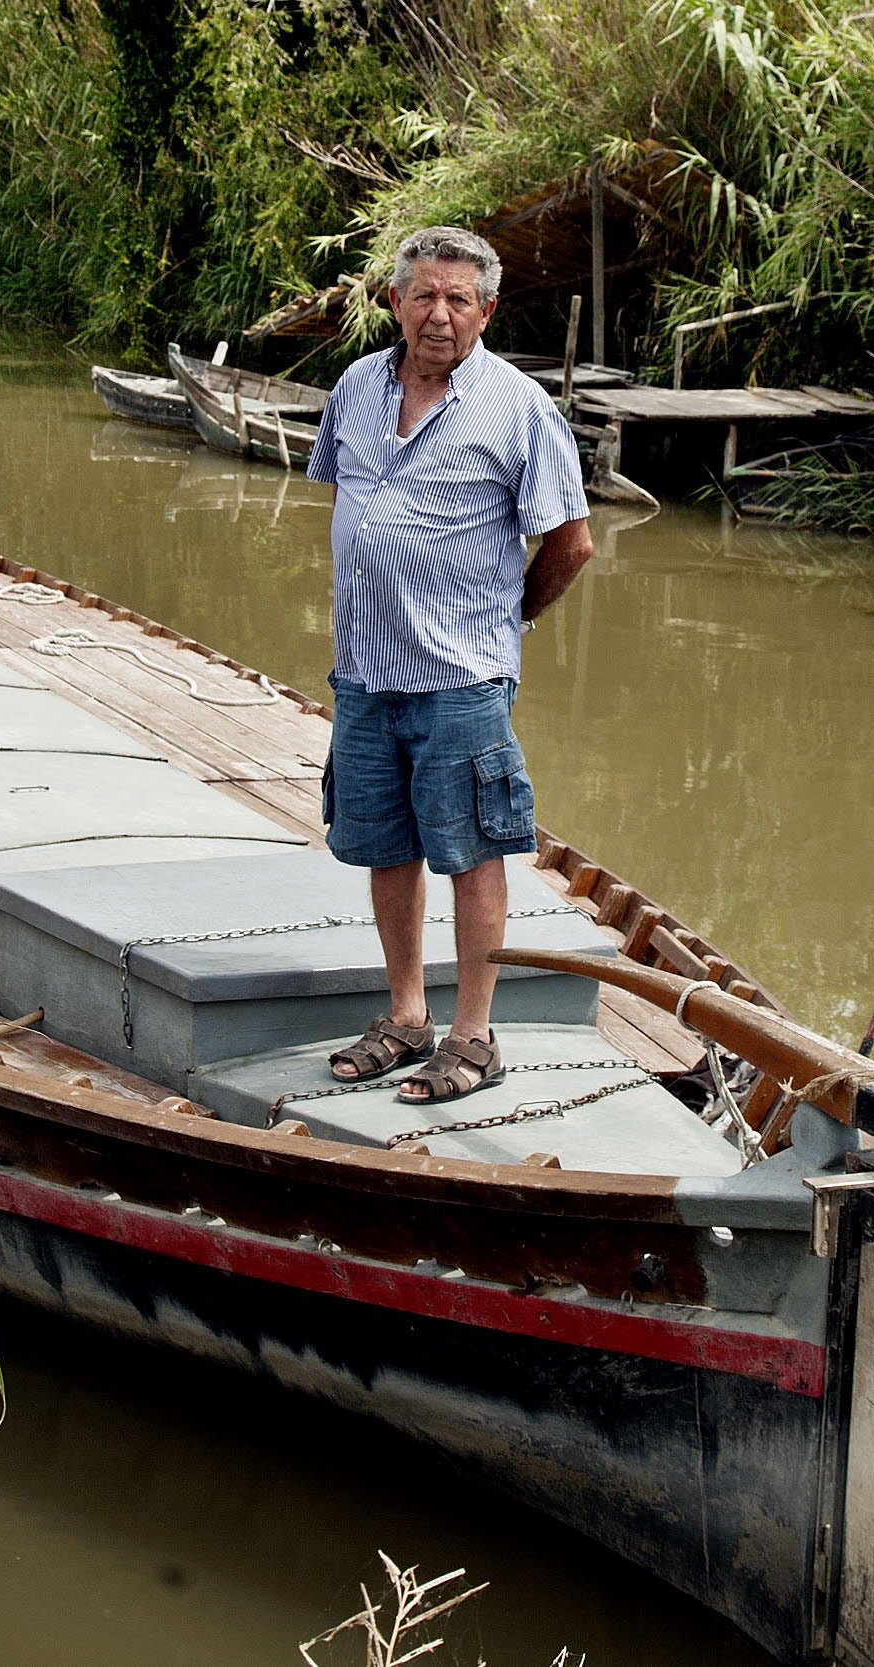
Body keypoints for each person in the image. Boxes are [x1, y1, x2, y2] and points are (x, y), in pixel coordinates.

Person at [308, 224, 595, 1104]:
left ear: (487, 311)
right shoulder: (357, 386)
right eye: (423, 294)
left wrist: (504, 619)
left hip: (460, 678)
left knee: (472, 852)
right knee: (384, 848)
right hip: (362, 672)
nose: (438, 314)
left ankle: (473, 1035)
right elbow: (347, 498)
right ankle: (405, 1017)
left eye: (457, 299)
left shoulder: (517, 408)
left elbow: (572, 543)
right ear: (393, 301)